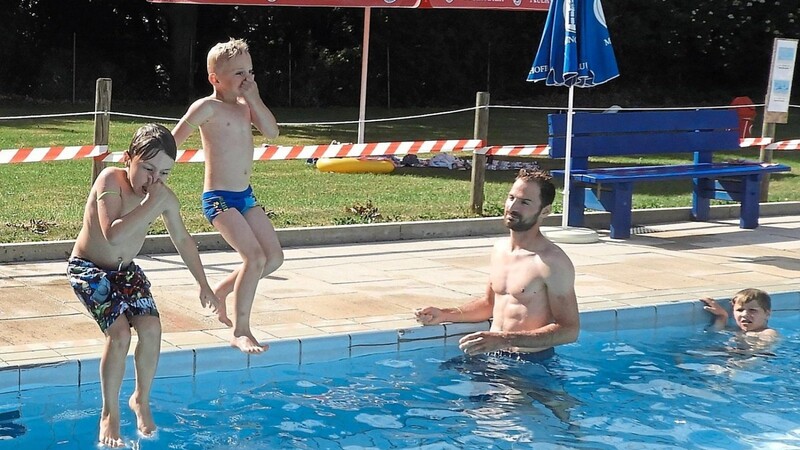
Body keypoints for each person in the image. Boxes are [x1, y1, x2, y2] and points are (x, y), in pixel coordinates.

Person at [66, 124, 219, 447]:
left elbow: (183, 240)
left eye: (164, 172)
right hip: (89, 269)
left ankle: (140, 398)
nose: (154, 179)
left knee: (151, 329)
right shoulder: (110, 180)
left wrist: (203, 283)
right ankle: (109, 413)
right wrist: (152, 204)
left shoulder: (163, 197)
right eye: (148, 169)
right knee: (119, 334)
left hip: (125, 271)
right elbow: (113, 234)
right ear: (128, 159)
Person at [172, 38, 284, 354]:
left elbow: (272, 132)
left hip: (245, 197)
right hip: (219, 198)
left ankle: (221, 291)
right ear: (215, 79)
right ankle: (241, 330)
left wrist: (256, 99)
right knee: (255, 257)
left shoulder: (247, 108)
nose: (246, 79)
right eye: (238, 73)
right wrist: (149, 164)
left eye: (249, 72)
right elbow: (174, 140)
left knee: (273, 258)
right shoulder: (207, 107)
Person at [414, 168, 580, 359]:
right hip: (492, 357)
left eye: (525, 202)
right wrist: (444, 314)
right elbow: (489, 304)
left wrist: (504, 339)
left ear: (545, 211)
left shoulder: (551, 261)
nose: (512, 207)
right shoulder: (500, 249)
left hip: (530, 365)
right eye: (511, 198)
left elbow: (569, 330)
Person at [700, 288, 778, 340]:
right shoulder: (735, 330)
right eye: (740, 310)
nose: (744, 314)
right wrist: (722, 316)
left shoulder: (768, 333)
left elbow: (760, 353)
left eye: (752, 310)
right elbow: (712, 332)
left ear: (767, 314)